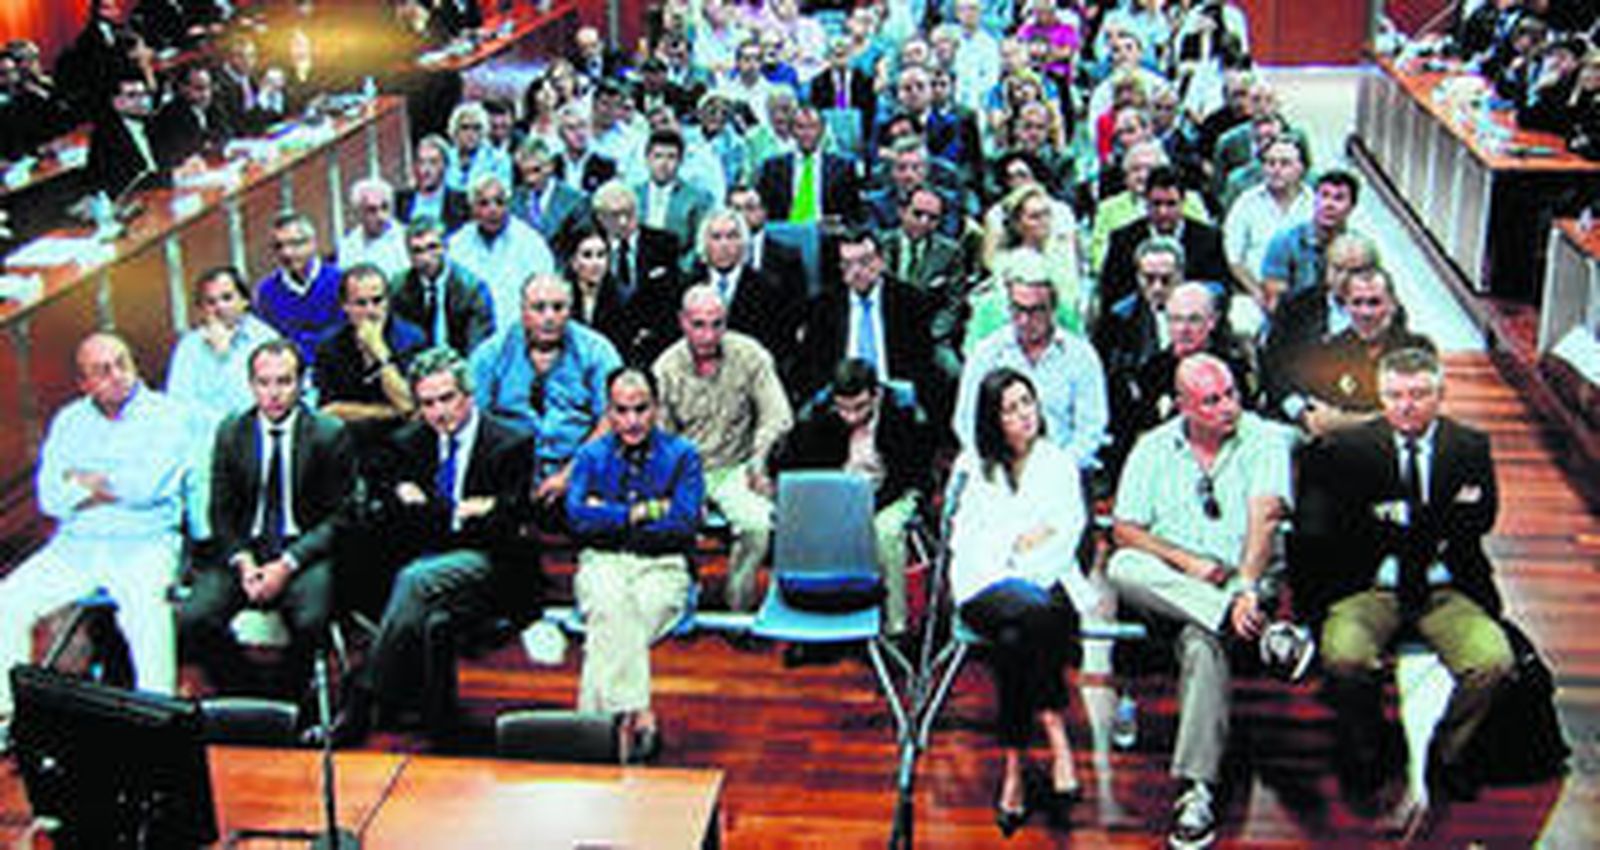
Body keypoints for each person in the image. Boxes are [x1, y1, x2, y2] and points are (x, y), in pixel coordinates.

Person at [1294, 347, 1513, 828]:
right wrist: (1434, 521)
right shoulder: (1348, 451)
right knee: (1346, 657)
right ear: (1381, 396)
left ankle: (1446, 754)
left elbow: (1482, 517)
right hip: (1368, 588)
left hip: (1447, 588)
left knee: (1492, 662)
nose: (1407, 406)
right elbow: (1338, 529)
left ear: (1440, 394)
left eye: (1419, 394)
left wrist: (1398, 518)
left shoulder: (1471, 446)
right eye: (1395, 395)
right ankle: (1366, 748)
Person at [1106, 353, 1314, 850]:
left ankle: (1197, 791)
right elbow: (1125, 530)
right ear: (1183, 406)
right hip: (1180, 584)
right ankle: (1266, 636)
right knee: (1121, 566)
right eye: (1212, 401)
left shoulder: (1263, 438)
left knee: (1203, 644)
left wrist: (1242, 587)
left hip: (1244, 576)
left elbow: (1265, 517)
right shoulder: (1153, 448)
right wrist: (1187, 563)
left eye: (1231, 395)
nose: (1227, 408)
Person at [331, 346, 539, 743]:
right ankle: (435, 724)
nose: (439, 412)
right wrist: (462, 512)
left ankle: (362, 699)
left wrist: (436, 511)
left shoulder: (511, 443)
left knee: (415, 580)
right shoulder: (408, 443)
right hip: (431, 559)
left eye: (447, 399)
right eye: (427, 403)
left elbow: (505, 527)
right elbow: (398, 518)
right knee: (422, 604)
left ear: (469, 395)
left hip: (491, 565)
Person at [0, 333, 190, 725]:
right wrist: (116, 483)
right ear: (84, 384)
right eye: (103, 371)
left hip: (146, 541)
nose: (118, 375)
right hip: (77, 546)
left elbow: (149, 486)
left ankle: (159, 720)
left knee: (146, 613)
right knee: (7, 601)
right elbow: (50, 498)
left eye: (123, 363)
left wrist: (87, 481)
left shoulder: (168, 415)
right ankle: (9, 718)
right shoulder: (70, 421)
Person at [949, 367, 1098, 835]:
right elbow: (970, 542)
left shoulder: (1059, 463)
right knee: (1037, 614)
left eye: (1027, 402)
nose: (1024, 415)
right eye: (1010, 409)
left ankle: (1014, 768)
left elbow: (1067, 533)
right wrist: (1021, 541)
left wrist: (1021, 547)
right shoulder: (973, 467)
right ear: (993, 420)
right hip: (983, 584)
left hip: (1044, 585)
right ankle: (1054, 732)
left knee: (1019, 636)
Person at [180, 339, 356, 697]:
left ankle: (287, 699)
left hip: (302, 551)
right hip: (245, 550)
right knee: (193, 619)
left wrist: (287, 565)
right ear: (251, 385)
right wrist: (244, 562)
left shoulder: (328, 433)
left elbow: (342, 517)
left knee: (310, 621)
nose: (273, 393)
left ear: (301, 384)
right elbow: (221, 510)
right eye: (264, 383)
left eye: (284, 381)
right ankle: (245, 693)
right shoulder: (232, 431)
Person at [566, 367, 705, 761]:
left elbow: (681, 527)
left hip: (663, 566)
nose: (631, 421)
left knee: (609, 630)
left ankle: (594, 744)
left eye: (640, 409)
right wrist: (640, 513)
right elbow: (576, 520)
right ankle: (636, 722)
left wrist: (607, 517)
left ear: (656, 408)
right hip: (603, 562)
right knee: (612, 611)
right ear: (608, 412)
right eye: (621, 410)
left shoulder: (683, 456)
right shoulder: (590, 455)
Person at [653, 285, 793, 612]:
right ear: (682, 322)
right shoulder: (665, 368)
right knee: (670, 519)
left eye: (717, 324)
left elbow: (778, 416)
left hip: (737, 465)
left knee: (758, 525)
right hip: (688, 468)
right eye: (699, 324)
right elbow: (662, 439)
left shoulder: (750, 355)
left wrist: (759, 461)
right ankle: (679, 598)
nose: (708, 335)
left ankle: (738, 605)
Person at [770, 358, 933, 637]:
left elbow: (912, 475)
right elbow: (789, 464)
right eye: (843, 409)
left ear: (876, 395)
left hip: (890, 492)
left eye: (860, 407)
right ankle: (813, 610)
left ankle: (896, 626)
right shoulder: (819, 414)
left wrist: (867, 508)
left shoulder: (903, 416)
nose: (851, 417)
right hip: (838, 494)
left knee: (886, 532)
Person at [469, 274, 621, 527]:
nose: (549, 317)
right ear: (522, 310)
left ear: (570, 310)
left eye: (558, 308)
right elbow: (474, 418)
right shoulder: (490, 355)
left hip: (578, 468)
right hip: (508, 475)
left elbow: (613, 418)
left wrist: (570, 475)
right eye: (539, 308)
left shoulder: (596, 350)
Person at [954, 269, 1108, 472]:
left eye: (1036, 311)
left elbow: (1091, 428)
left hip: (1063, 467)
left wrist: (1058, 469)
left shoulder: (1081, 356)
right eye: (1018, 310)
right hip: (997, 466)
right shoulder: (987, 353)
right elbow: (965, 420)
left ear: (1053, 309)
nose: (1025, 320)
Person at [313, 264, 424, 435]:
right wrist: (390, 412)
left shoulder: (412, 339)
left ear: (388, 301)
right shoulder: (329, 346)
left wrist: (379, 351)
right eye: (360, 303)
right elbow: (330, 410)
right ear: (345, 306)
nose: (370, 311)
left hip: (401, 438)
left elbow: (409, 405)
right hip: (349, 438)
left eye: (377, 300)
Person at [447, 173, 557, 333]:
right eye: (484, 203)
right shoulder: (457, 245)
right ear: (472, 209)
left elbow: (546, 294)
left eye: (499, 202)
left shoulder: (531, 243)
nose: (493, 210)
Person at [389, 216, 495, 355]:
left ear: (446, 247)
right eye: (418, 251)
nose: (426, 258)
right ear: (408, 255)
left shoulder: (472, 290)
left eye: (432, 247)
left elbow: (479, 347)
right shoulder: (398, 288)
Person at [256, 211, 343, 368]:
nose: (286, 253)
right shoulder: (267, 292)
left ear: (313, 243)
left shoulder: (339, 281)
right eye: (279, 246)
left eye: (295, 244)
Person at [755, 104, 864, 226]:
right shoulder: (773, 168)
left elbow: (854, 213)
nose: (807, 133)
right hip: (783, 236)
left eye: (812, 127)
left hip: (828, 236)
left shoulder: (842, 168)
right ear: (792, 131)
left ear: (822, 130)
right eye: (800, 127)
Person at [336, 177, 410, 282]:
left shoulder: (406, 237)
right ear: (359, 213)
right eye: (372, 210)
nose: (381, 216)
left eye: (384, 208)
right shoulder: (348, 246)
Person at [396, 135, 470, 231]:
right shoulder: (400, 201)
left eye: (433, 162)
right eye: (421, 162)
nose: (426, 170)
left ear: (445, 165)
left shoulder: (461, 203)